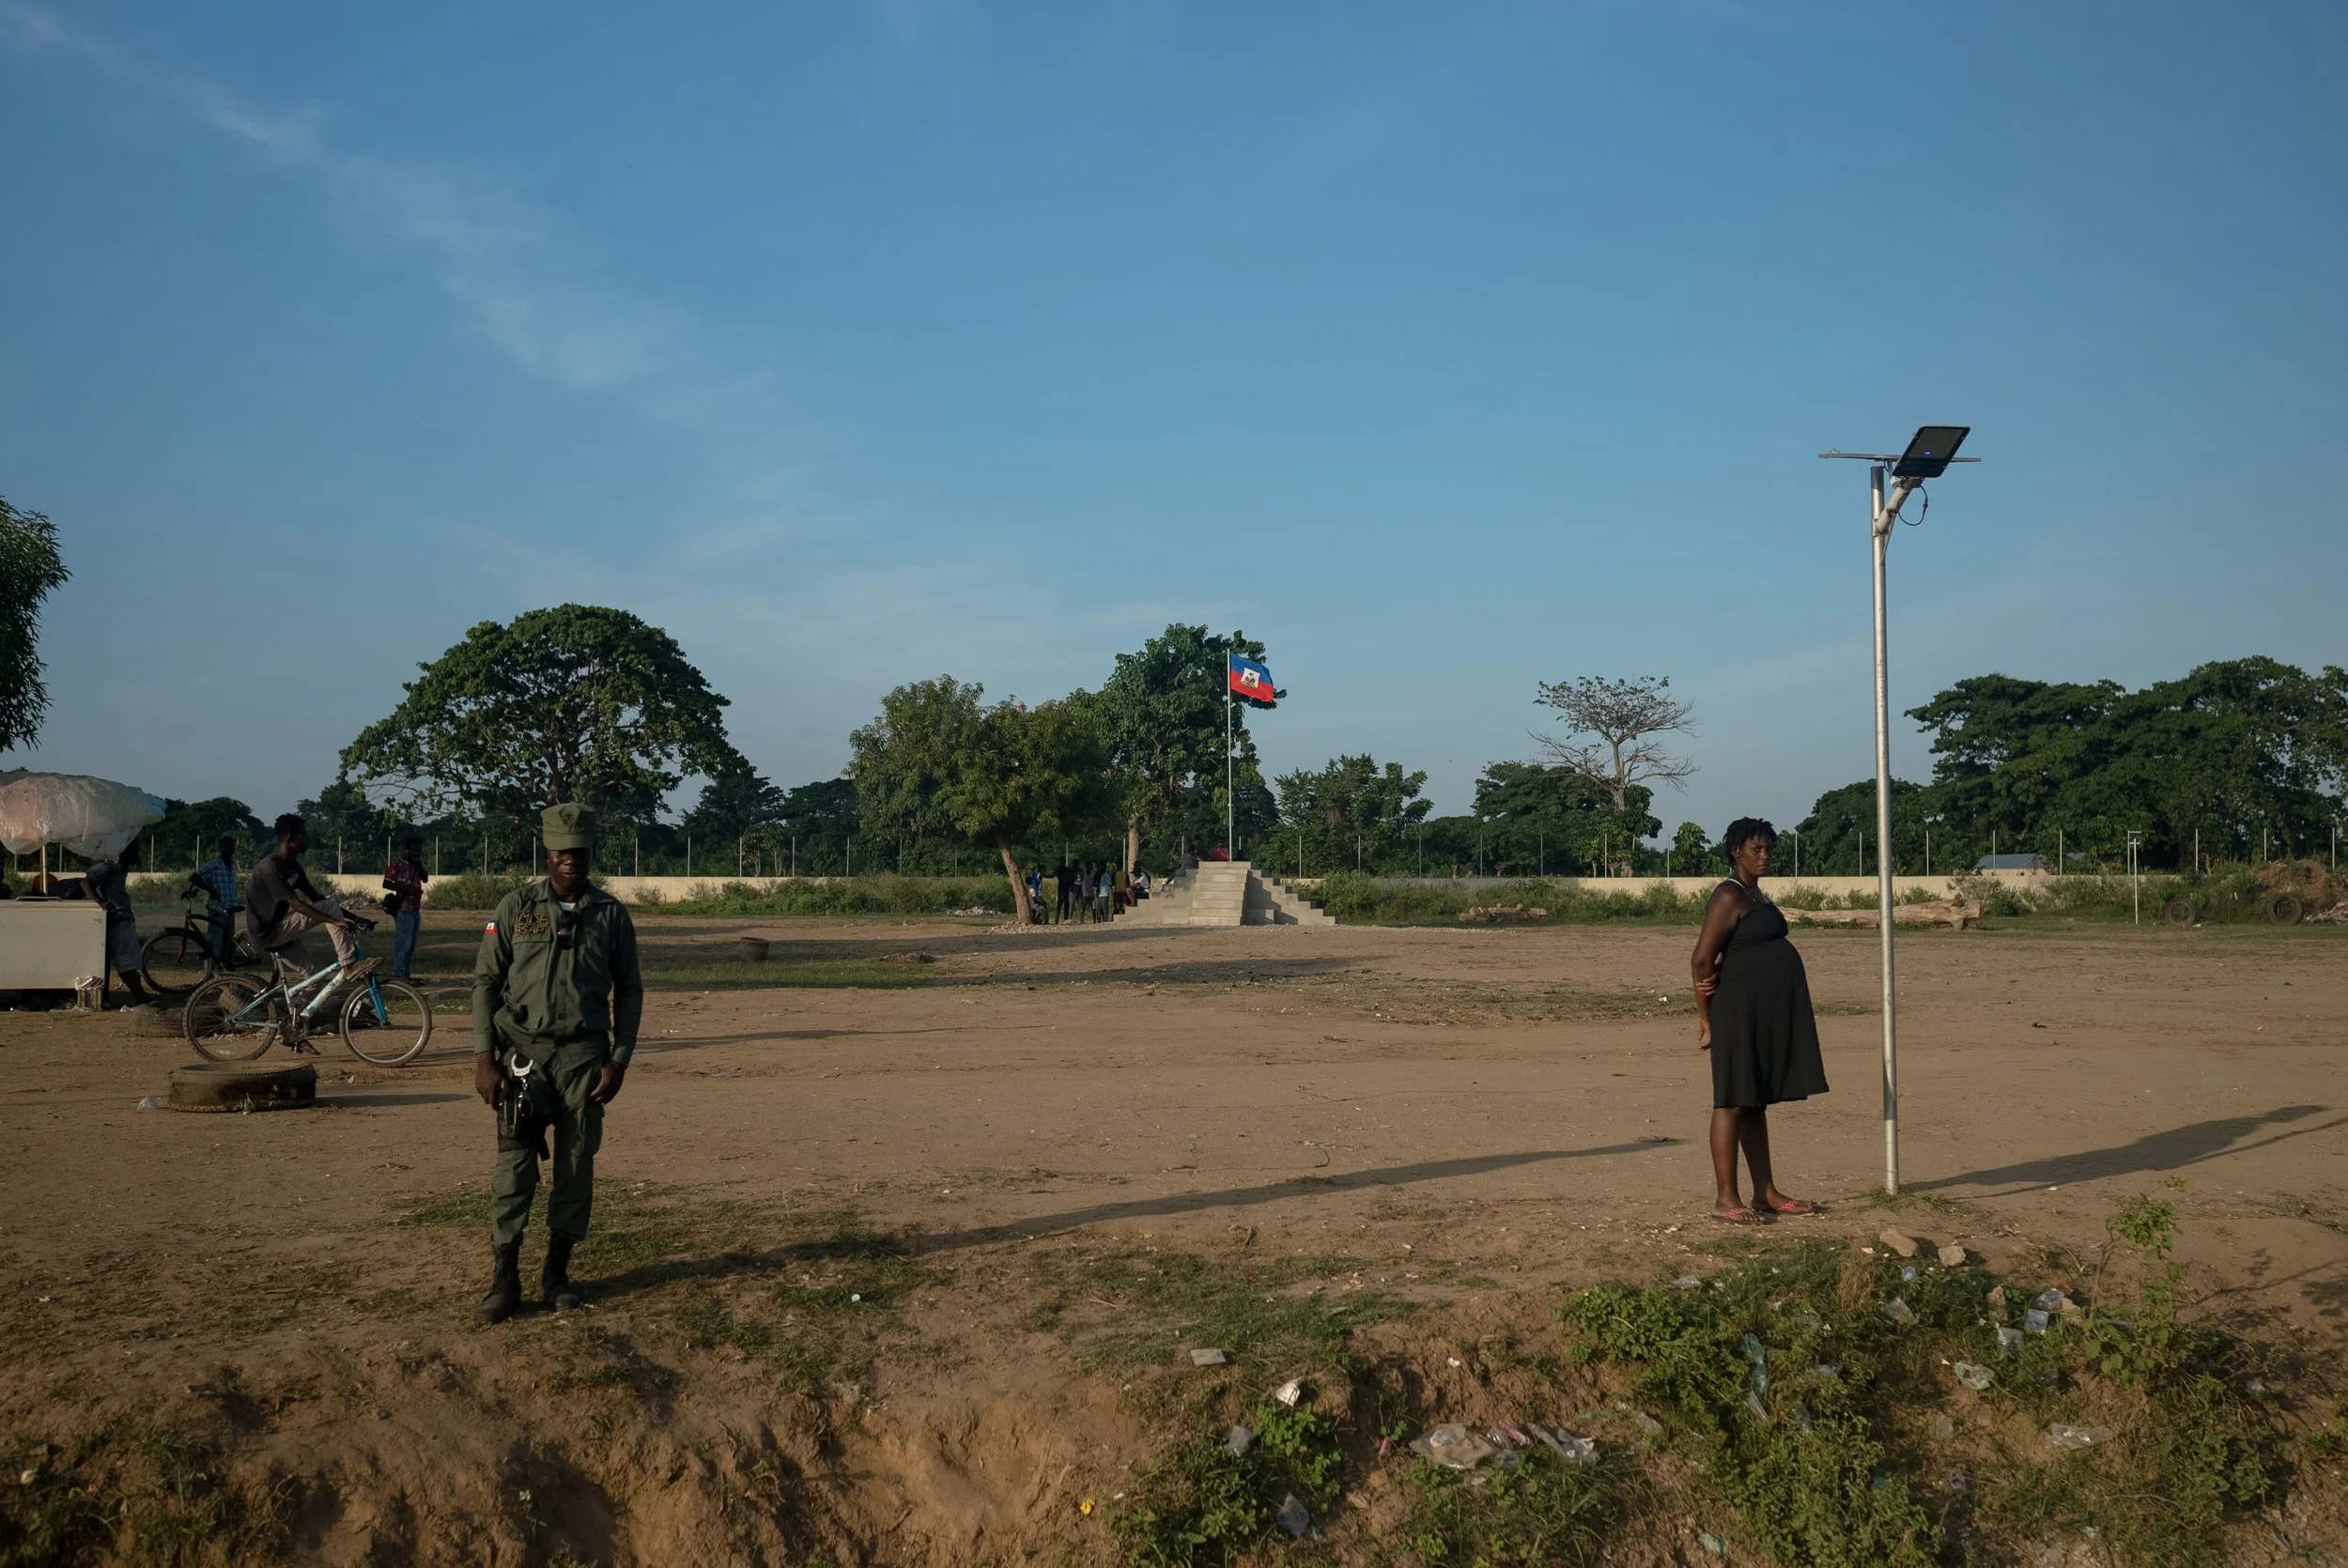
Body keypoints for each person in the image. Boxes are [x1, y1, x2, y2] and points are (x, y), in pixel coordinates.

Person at [471, 803, 643, 1325]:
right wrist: (484, 1056)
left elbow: (630, 989)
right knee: (514, 1169)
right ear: (546, 854)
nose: (571, 861)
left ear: (592, 854)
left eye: (581, 852)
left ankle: (557, 1274)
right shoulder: (515, 907)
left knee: (574, 1167)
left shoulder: (611, 915)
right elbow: (485, 983)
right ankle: (505, 1279)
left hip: (583, 1060)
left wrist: (619, 1060)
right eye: (561, 853)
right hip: (523, 1057)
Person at [1691, 817, 1827, 1225]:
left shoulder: (1757, 895)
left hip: (1760, 1015)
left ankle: (1765, 1192)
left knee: (1754, 1103)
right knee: (1732, 1100)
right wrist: (1705, 1017)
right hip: (1735, 1012)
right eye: (1757, 849)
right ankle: (1725, 1199)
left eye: (1769, 849)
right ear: (1736, 851)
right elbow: (1701, 959)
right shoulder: (1728, 896)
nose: (1765, 856)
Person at [244, 814, 363, 981]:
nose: (308, 840)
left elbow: (316, 897)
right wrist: (333, 921)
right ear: (290, 838)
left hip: (280, 933)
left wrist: (356, 918)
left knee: (315, 977)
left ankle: (295, 1007)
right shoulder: (270, 869)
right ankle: (349, 964)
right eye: (304, 835)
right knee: (328, 906)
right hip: (268, 933)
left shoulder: (293, 866)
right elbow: (297, 905)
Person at [83, 847, 154, 1008]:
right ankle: (140, 997)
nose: (137, 853)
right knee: (125, 961)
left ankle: (129, 996)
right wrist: (101, 903)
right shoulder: (108, 867)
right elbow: (85, 882)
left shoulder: (120, 868)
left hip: (123, 918)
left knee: (125, 961)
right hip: (118, 919)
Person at [184, 835, 240, 963]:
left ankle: (227, 971)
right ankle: (213, 971)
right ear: (220, 848)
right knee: (215, 942)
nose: (229, 849)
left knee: (229, 943)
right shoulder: (214, 865)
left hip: (230, 909)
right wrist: (210, 890)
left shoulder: (233, 866)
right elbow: (194, 877)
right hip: (217, 909)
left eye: (231, 846)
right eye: (226, 846)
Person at [383, 836, 428, 980]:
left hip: (415, 909)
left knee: (411, 945)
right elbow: (386, 883)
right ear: (407, 850)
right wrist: (407, 889)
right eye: (414, 851)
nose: (416, 854)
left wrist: (419, 865)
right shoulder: (397, 864)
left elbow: (425, 878)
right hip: (403, 909)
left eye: (419, 851)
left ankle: (405, 974)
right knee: (403, 943)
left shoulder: (416, 865)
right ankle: (399, 974)